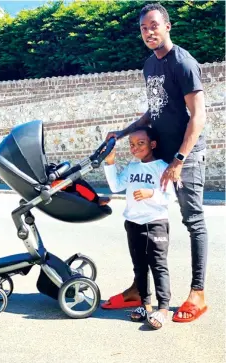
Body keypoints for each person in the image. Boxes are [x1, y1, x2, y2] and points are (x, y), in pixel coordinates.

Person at [103, 3, 208, 323]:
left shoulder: (183, 63)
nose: (148, 32)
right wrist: (122, 133)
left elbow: (199, 116)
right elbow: (156, 110)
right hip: (160, 154)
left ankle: (198, 292)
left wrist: (178, 159)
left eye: (154, 26)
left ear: (167, 27)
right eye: (143, 28)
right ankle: (139, 288)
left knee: (193, 221)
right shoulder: (149, 65)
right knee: (143, 218)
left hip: (184, 157)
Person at [104, 126, 175, 329]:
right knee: (140, 266)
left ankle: (163, 308)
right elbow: (116, 186)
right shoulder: (132, 168)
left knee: (158, 265)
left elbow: (169, 197)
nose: (135, 148)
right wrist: (110, 163)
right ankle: (146, 304)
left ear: (152, 144)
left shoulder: (162, 167)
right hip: (133, 223)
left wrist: (150, 193)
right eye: (132, 144)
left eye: (140, 143)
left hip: (156, 222)